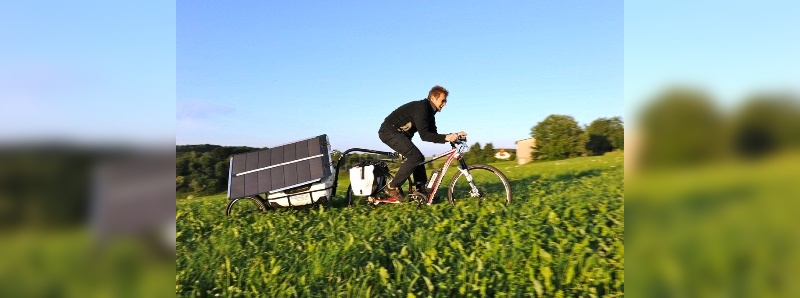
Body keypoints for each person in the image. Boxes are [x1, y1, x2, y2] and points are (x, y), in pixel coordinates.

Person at [378, 85, 467, 203]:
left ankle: (421, 191)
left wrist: (452, 135)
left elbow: (433, 135)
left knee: (418, 158)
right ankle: (392, 187)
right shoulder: (422, 108)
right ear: (433, 98)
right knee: (416, 157)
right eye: (443, 100)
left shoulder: (430, 113)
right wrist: (448, 137)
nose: (445, 104)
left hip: (400, 134)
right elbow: (424, 135)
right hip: (389, 131)